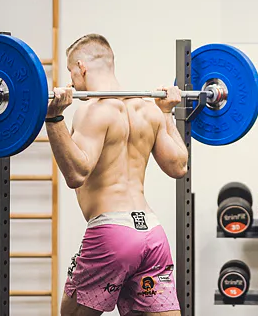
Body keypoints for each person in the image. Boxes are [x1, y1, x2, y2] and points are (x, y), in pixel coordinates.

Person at [46, 34, 188, 316]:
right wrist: (167, 114)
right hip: (151, 234)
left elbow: (77, 174)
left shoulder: (93, 110)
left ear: (81, 66)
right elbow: (179, 166)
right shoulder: (148, 108)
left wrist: (53, 119)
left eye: (71, 71)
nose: (71, 80)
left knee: (71, 314)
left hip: (112, 235)